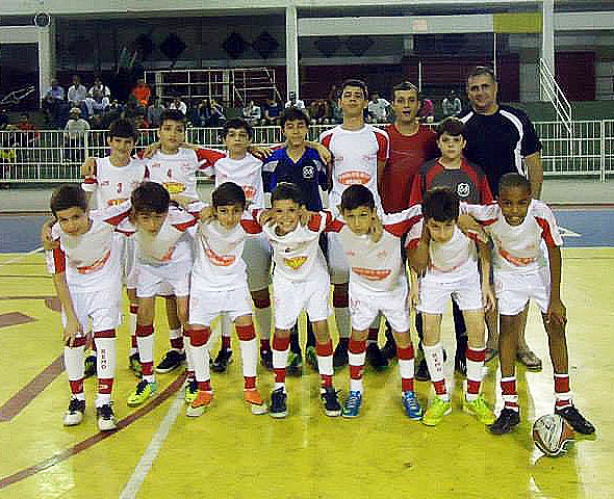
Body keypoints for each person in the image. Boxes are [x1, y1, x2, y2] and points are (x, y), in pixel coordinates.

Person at [462, 173, 595, 436]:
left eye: (522, 203)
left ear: (531, 199)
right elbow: (458, 208)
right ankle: (510, 405)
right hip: (508, 274)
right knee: (507, 330)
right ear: (498, 201)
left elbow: (555, 251)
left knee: (556, 327)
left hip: (538, 270)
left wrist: (555, 298)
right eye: (508, 203)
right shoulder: (489, 213)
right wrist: (472, 227)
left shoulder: (541, 214)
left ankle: (564, 402)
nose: (514, 210)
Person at [459, 65, 544, 369]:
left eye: (485, 86)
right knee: (488, 281)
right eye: (474, 88)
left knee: (519, 281)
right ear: (467, 93)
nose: (480, 93)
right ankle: (494, 339)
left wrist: (530, 208)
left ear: (495, 88)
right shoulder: (463, 125)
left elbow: (534, 165)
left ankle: (520, 342)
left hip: (516, 214)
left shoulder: (517, 119)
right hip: (482, 216)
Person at [409, 116, 495, 375]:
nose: (450, 145)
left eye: (455, 140)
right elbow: (416, 210)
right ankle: (426, 357)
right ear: (438, 143)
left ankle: (462, 353)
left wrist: (479, 231)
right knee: (427, 310)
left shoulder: (475, 173)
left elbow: (485, 210)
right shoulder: (427, 172)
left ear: (463, 143)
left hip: (464, 257)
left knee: (465, 311)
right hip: (433, 256)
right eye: (445, 140)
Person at [327, 185, 422, 419]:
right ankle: (355, 391)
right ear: (342, 213)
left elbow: (422, 210)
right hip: (362, 293)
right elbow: (308, 217)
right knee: (357, 337)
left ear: (373, 212)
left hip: (393, 293)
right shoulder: (338, 226)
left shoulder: (393, 225)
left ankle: (408, 392)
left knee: (403, 339)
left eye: (362, 215)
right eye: (350, 216)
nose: (357, 223)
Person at [407, 188, 496, 427]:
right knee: (429, 330)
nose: (443, 233)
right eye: (435, 227)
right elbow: (415, 262)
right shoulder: (418, 232)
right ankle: (441, 396)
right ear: (427, 221)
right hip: (434, 277)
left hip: (466, 275)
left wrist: (485, 283)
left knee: (478, 331)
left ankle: (473, 396)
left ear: (455, 219)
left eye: (448, 226)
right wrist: (414, 286)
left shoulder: (467, 225)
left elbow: (485, 249)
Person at [45, 184, 131, 431]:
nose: (71, 225)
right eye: (63, 220)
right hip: (75, 286)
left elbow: (137, 200)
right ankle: (77, 399)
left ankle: (104, 401)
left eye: (76, 217)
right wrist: (71, 317)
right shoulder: (54, 237)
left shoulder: (107, 219)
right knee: (73, 338)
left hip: (105, 282)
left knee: (105, 340)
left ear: (88, 212)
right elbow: (59, 278)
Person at [320, 79, 389, 369]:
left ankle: (371, 343)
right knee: (342, 282)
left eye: (357, 96)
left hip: (372, 219)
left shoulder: (379, 138)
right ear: (340, 102)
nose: (351, 100)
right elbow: (328, 176)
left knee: (374, 281)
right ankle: (346, 341)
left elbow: (380, 178)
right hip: (340, 221)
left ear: (365, 102)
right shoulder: (327, 138)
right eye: (347, 95)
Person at [257, 183, 341, 418]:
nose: (285, 217)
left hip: (314, 279)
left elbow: (334, 212)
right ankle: (279, 389)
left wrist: (314, 215)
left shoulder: (312, 224)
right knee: (282, 331)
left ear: (301, 210)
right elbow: (251, 213)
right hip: (286, 282)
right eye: (279, 211)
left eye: (292, 211)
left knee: (321, 327)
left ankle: (328, 386)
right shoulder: (267, 224)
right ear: (271, 211)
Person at [186, 182, 267, 417]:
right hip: (204, 286)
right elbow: (178, 198)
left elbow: (267, 217)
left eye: (235, 211)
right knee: (197, 333)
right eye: (223, 211)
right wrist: (204, 209)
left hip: (234, 284)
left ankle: (250, 387)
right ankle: (204, 389)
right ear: (214, 209)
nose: (230, 217)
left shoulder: (247, 223)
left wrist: (254, 210)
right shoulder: (202, 218)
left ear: (243, 209)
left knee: (246, 326)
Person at [262, 107, 329, 373]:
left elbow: (325, 185)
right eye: (290, 126)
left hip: (312, 232)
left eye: (300, 126)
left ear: (307, 129)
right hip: (284, 231)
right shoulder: (273, 159)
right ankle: (291, 347)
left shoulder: (317, 157)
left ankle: (313, 345)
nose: (296, 131)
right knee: (286, 287)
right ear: (283, 130)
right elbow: (267, 189)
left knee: (314, 285)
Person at [80, 118, 147, 377]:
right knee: (103, 296)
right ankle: (96, 354)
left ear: (134, 144)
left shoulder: (141, 168)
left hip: (133, 238)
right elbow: (83, 200)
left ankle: (136, 352)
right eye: (117, 141)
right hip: (105, 240)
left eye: (127, 142)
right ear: (109, 142)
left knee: (135, 296)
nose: (122, 146)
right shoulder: (97, 166)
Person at [125, 182, 199, 407]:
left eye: (159, 217)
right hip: (148, 265)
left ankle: (195, 375)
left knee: (186, 314)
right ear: (135, 214)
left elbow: (209, 212)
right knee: (144, 314)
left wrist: (185, 199)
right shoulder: (126, 221)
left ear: (167, 211)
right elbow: (94, 218)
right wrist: (50, 225)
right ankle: (148, 378)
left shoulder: (180, 217)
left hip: (179, 263)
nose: (152, 224)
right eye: (145, 218)